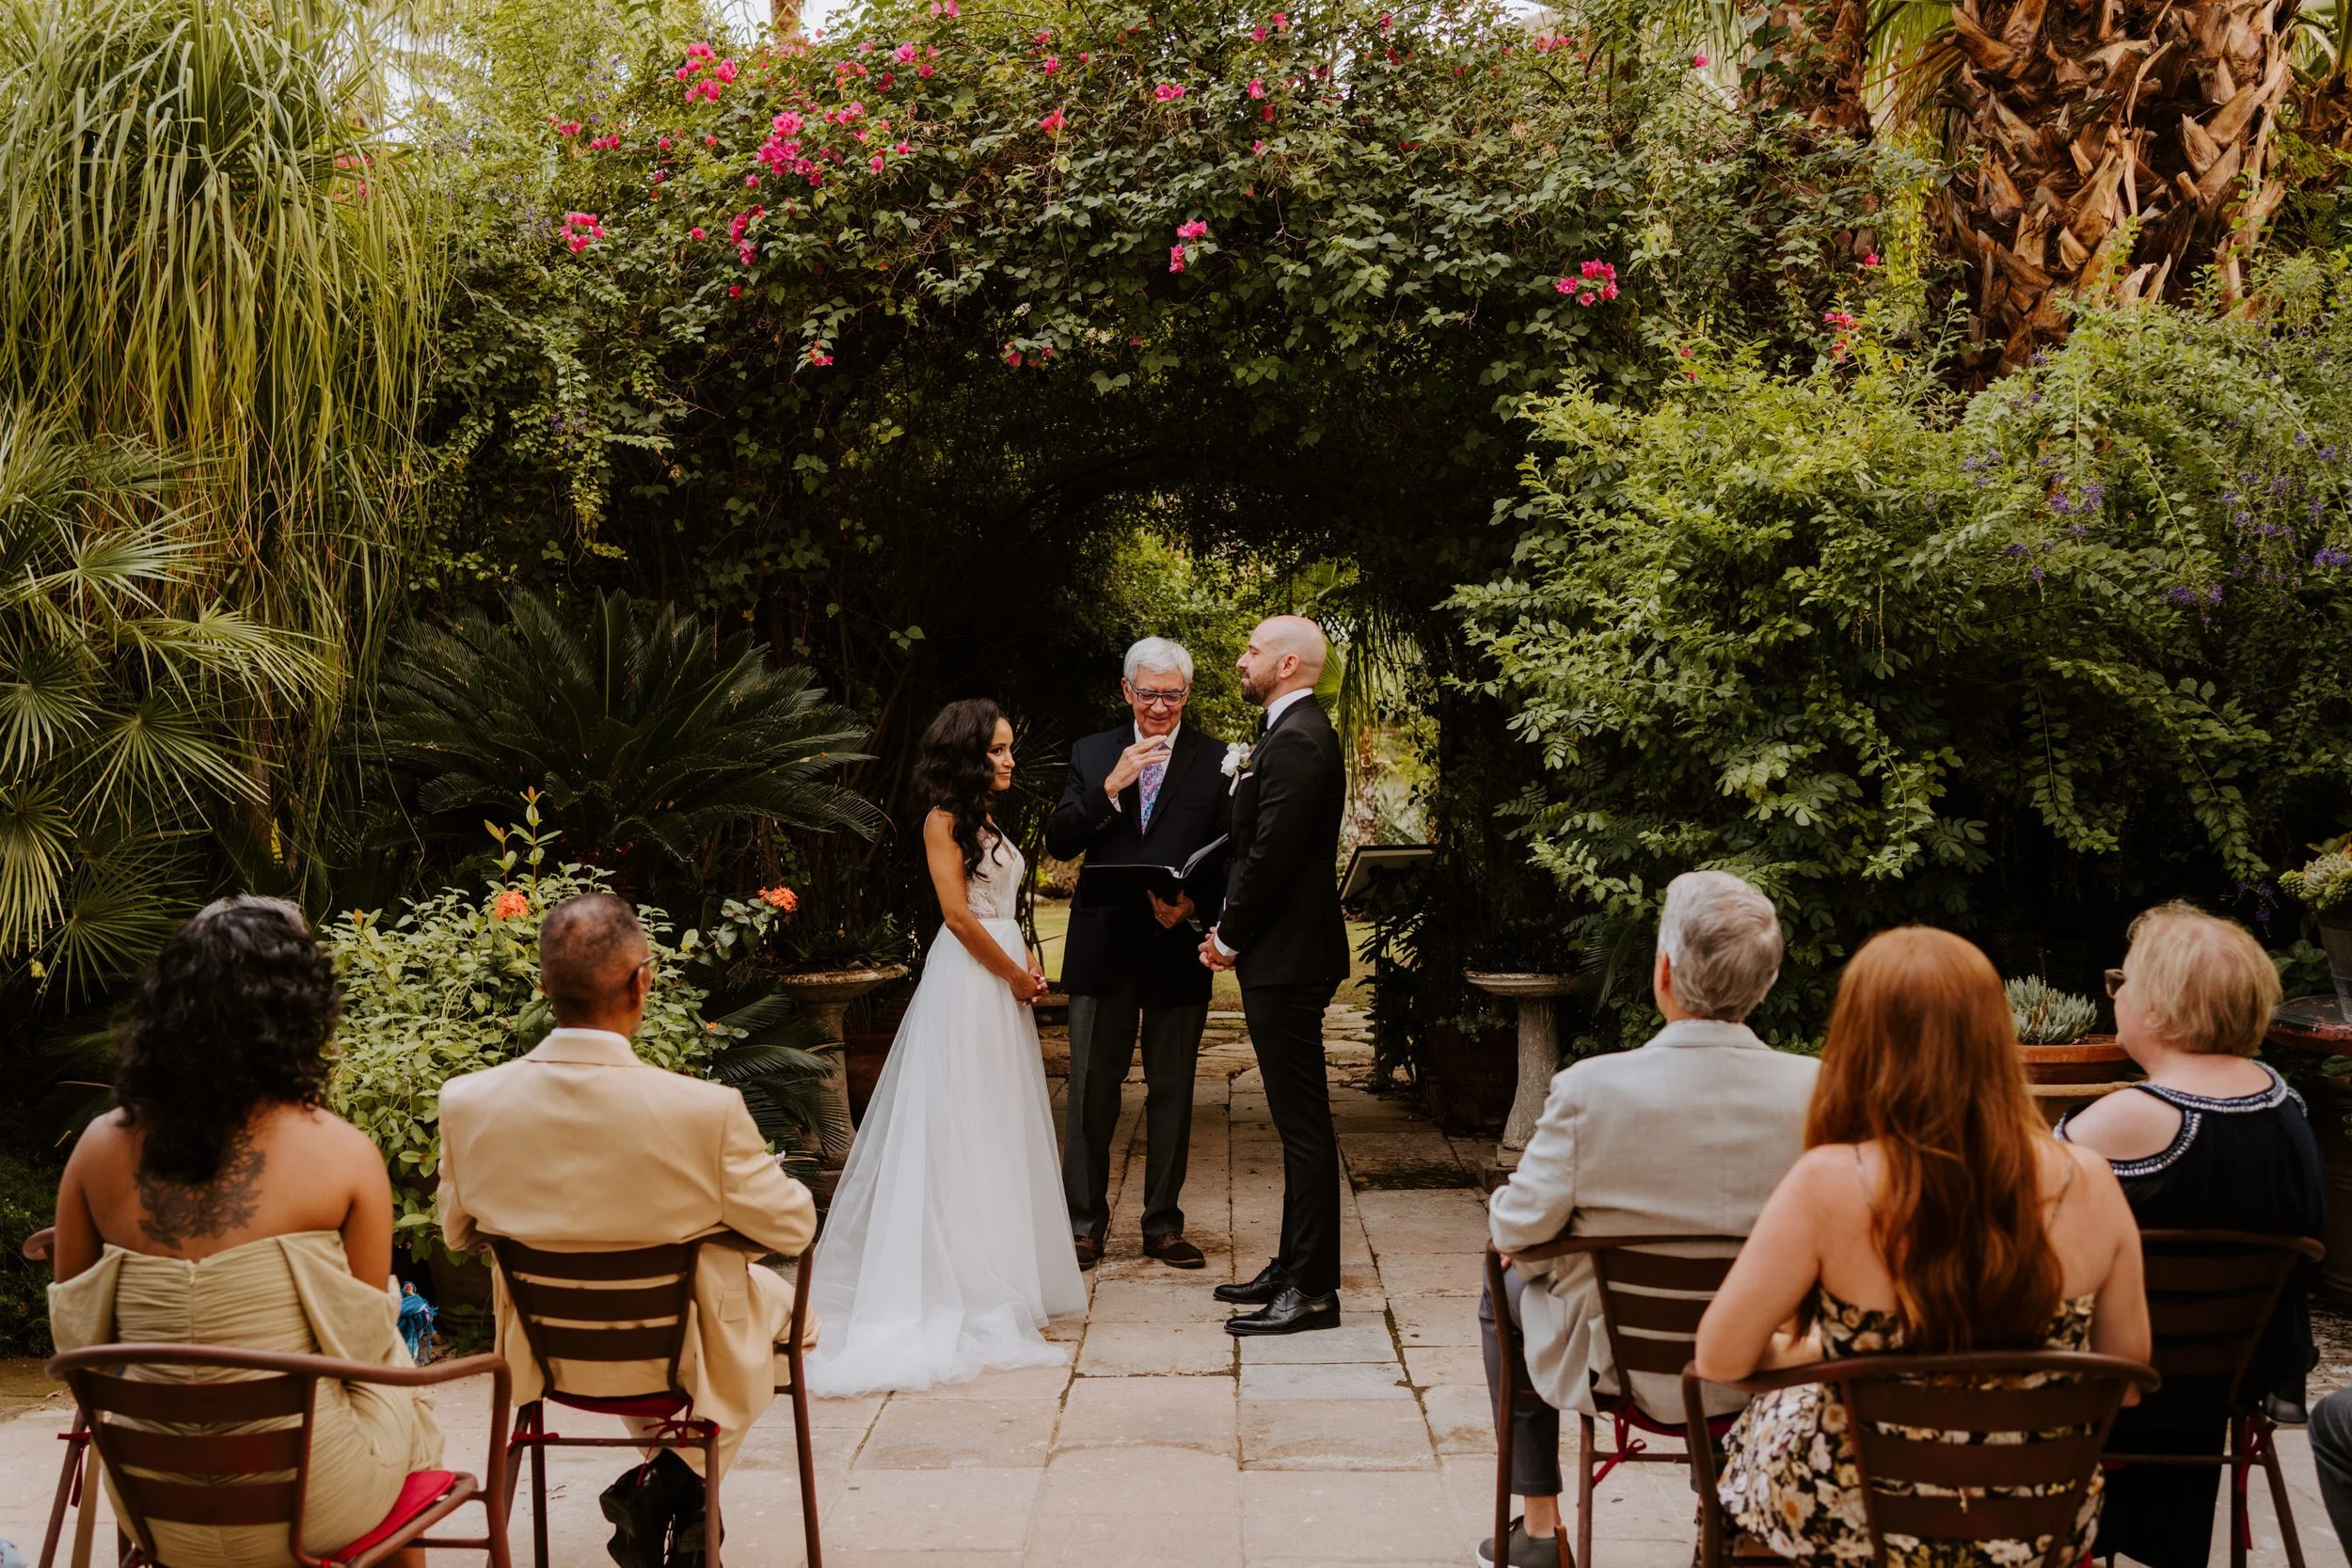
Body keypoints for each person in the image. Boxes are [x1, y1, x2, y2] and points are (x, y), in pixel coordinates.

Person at [1694, 927, 2151, 1566]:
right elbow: (2125, 1376)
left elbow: (1719, 1357)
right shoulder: (2091, 1179)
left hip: (1859, 1522)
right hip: (2033, 1522)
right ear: (1996, 1036)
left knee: (1755, 1442)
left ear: (1857, 1041)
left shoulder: (1830, 1181)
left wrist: (1835, 1351)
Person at [49, 898, 441, 1568]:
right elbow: (364, 1349)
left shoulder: (96, 1148)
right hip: (314, 1502)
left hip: (154, 1506)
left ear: (167, 1012)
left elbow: (79, 1340)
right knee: (401, 1373)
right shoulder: (344, 1154)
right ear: (299, 1014)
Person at [437, 892, 818, 1568]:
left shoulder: (468, 1103)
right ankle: (674, 1482)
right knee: (793, 1317)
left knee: (714, 1299)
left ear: (544, 987)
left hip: (549, 1355)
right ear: (642, 982)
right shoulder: (705, 1111)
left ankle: (665, 1486)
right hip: (679, 1356)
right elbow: (793, 1223)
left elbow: (458, 1233)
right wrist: (723, 1234)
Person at [1478, 871, 1819, 1568]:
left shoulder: (1589, 1089)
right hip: (1763, 1364)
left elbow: (1515, 1228)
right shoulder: (1820, 1090)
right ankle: (1729, 1515)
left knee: (1500, 1287)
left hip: (1620, 1367)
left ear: (1663, 971)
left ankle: (1541, 1531)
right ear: (1766, 981)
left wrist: (1542, 1247)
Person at [806, 699, 1088, 1391]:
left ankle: (1004, 1266)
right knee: (961, 1120)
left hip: (1001, 976)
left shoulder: (987, 820)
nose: (1010, 760)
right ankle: (961, 1274)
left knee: (999, 1119)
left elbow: (997, 912)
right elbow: (959, 917)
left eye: (1009, 747)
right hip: (969, 981)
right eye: (997, 749)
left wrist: (1026, 969)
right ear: (967, 754)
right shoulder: (941, 822)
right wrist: (1015, 975)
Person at [2058, 902, 2324, 1568]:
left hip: (2114, 1388)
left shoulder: (2123, 1120)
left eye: (2124, 981)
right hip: (2226, 1390)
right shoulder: (2287, 1104)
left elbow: (2023, 1228)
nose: (2115, 995)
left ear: (2160, 1005)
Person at [1046, 636, 1232, 1272]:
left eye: (1172, 695)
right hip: (1103, 943)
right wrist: (1111, 786)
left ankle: (1162, 1224)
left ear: (1187, 694)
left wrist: (1194, 906)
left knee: (1173, 1088)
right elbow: (1061, 838)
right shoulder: (1093, 751)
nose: (1160, 706)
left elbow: (1234, 850)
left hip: (1176, 944)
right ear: (1127, 690)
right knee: (1093, 1089)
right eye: (1149, 693)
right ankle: (1082, 1224)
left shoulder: (1216, 760)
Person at [1201, 616, 1350, 1337]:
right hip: (1285, 954)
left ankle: (1315, 1289)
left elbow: (1270, 855)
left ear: (1288, 663)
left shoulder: (1297, 740)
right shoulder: (1288, 734)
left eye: (1252, 649)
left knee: (1304, 1125)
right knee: (1299, 1125)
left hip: (1288, 957)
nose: (1241, 658)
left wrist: (1229, 935)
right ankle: (1293, 1265)